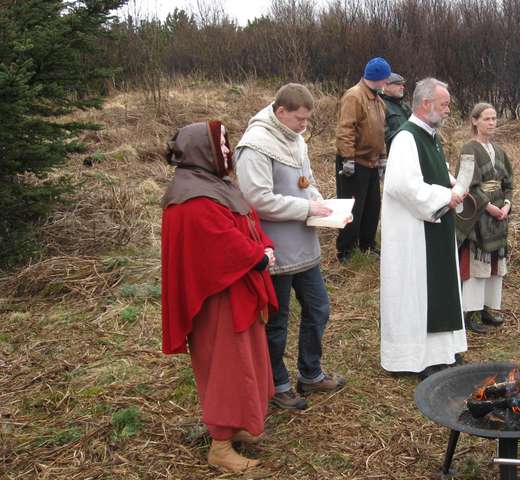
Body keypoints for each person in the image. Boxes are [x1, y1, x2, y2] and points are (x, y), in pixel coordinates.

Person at [161, 121, 277, 474]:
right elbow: (219, 243)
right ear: (201, 151)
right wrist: (258, 257)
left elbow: (247, 221)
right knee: (229, 367)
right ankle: (220, 447)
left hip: (237, 291)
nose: (227, 152)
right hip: (217, 299)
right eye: (222, 146)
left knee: (245, 361)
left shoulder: (216, 184)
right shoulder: (191, 198)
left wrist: (265, 247)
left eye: (227, 145)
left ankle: (238, 423)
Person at [235, 83, 346, 411]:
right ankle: (277, 384)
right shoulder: (255, 145)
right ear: (280, 112)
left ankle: (310, 373)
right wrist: (307, 209)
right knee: (278, 320)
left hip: (305, 244)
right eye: (299, 119)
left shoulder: (295, 138)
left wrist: (324, 205)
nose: (304, 126)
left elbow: (306, 182)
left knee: (319, 309)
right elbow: (257, 200)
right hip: (275, 251)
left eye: (307, 120)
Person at [380, 77, 467, 380]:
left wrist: (453, 184)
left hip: (434, 226)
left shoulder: (429, 136)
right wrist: (446, 196)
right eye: (444, 105)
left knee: (437, 289)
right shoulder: (407, 138)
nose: (447, 111)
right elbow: (402, 186)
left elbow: (434, 174)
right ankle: (414, 358)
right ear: (426, 104)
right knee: (417, 293)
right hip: (413, 234)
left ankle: (441, 353)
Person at [455, 103, 513, 334]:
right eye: (487, 118)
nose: (491, 122)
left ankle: (487, 308)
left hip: (499, 216)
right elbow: (468, 184)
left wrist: (506, 205)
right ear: (475, 121)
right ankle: (470, 312)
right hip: (478, 217)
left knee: (495, 266)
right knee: (477, 265)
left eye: (494, 118)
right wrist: (488, 207)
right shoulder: (469, 149)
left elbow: (508, 183)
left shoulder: (499, 151)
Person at [335, 57, 391, 263]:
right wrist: (347, 158)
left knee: (371, 208)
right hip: (354, 163)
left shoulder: (378, 101)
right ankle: (345, 251)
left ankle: (367, 246)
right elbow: (345, 129)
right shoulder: (354, 96)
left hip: (371, 163)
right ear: (376, 78)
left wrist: (383, 157)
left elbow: (380, 133)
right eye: (385, 79)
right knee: (352, 210)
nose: (387, 84)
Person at [381, 72, 412, 150]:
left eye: (403, 85)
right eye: (398, 84)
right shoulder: (379, 105)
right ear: (386, 86)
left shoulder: (405, 106)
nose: (402, 87)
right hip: (391, 154)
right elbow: (383, 134)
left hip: (408, 151)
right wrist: (405, 137)